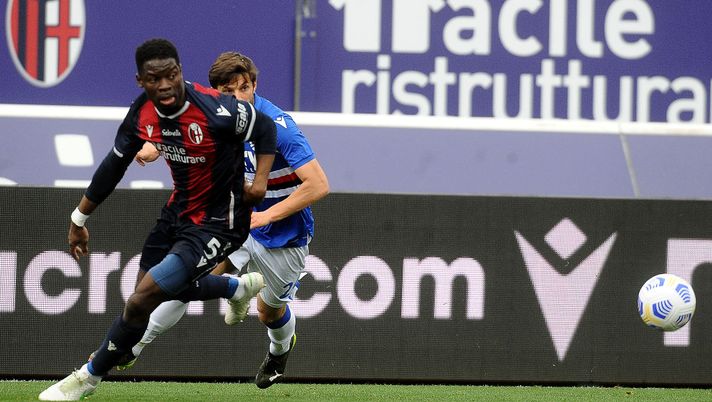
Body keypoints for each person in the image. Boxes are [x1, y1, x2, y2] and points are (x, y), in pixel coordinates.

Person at [38, 39, 277, 401]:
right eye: (154, 79)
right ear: (141, 81)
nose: (164, 85)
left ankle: (86, 377)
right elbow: (114, 165)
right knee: (147, 295)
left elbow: (265, 129)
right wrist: (78, 218)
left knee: (141, 301)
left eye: (171, 75)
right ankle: (235, 287)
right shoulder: (141, 114)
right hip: (177, 213)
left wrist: (259, 184)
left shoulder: (219, 110)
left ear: (180, 72)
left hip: (220, 222)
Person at [127, 51, 330, 388]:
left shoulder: (280, 129)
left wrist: (264, 216)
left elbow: (319, 184)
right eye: (228, 91)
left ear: (254, 86)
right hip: (233, 221)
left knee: (269, 313)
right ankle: (133, 344)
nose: (237, 98)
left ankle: (279, 351)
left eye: (244, 88)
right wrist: (154, 147)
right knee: (183, 277)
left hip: (283, 235)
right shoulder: (217, 113)